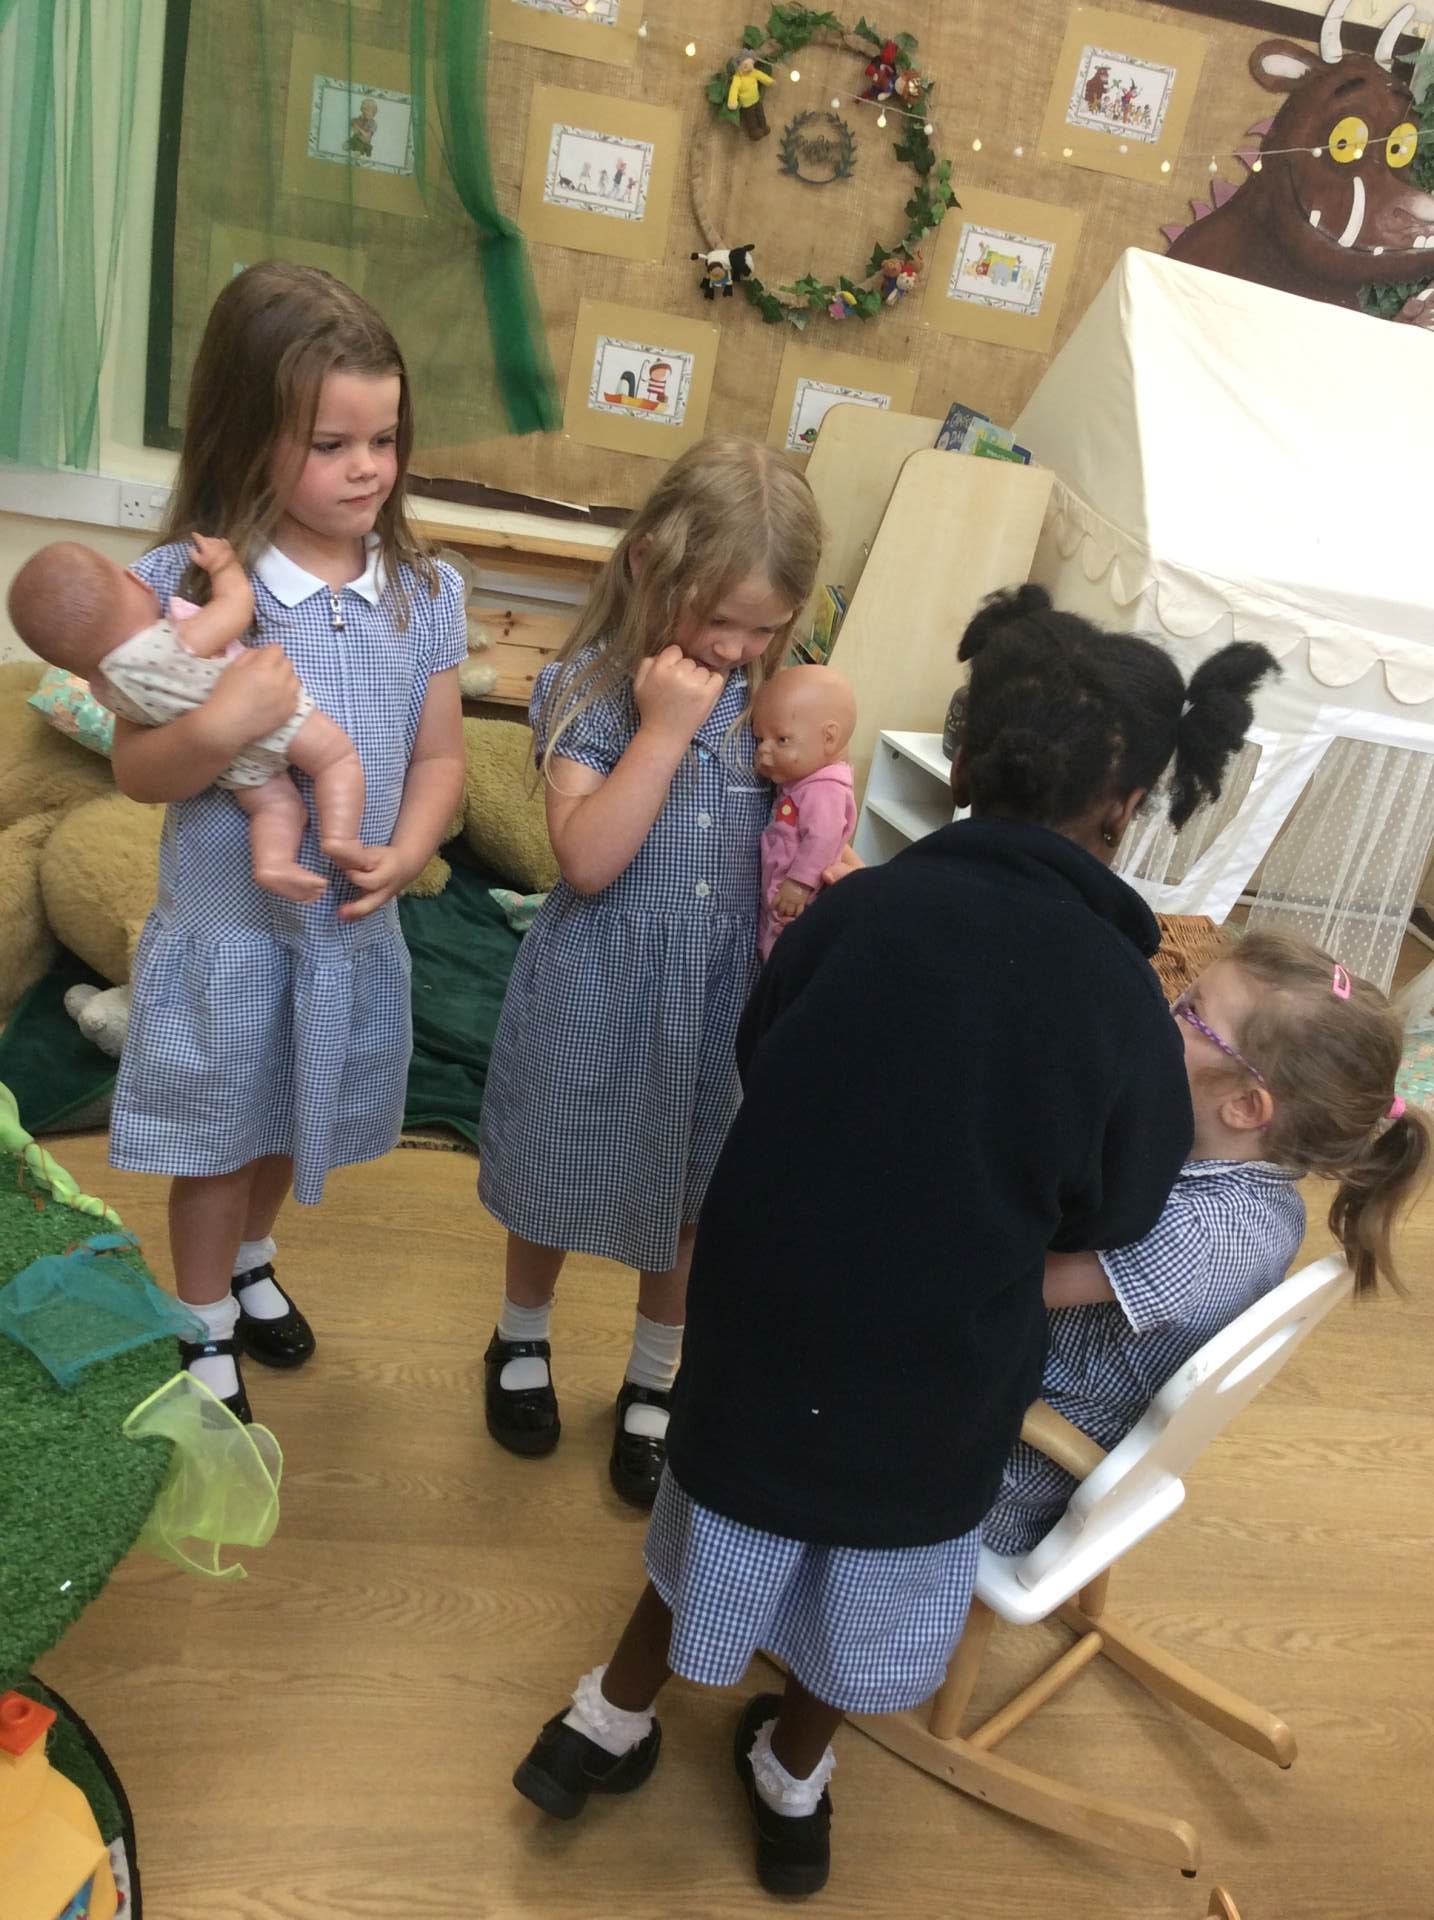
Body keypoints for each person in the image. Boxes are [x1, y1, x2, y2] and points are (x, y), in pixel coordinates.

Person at [510, 584, 1276, 1898]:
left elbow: (761, 1051)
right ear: (1131, 805)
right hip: (939, 1375)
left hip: (762, 1328)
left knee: (715, 1524)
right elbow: (1117, 1209)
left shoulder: (852, 914)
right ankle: (791, 1782)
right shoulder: (1119, 1001)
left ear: (961, 762)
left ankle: (603, 1724)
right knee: (869, 1579)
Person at [107, 261, 467, 1424]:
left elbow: (441, 758)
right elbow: (136, 770)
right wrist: (221, 726)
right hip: (231, 939)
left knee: (285, 1124)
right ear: (245, 436)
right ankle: (202, 1317)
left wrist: (408, 851)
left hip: (341, 937)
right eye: (331, 444)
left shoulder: (425, 593)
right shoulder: (181, 589)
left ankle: (253, 1262)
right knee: (218, 1144)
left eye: (385, 439)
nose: (368, 468)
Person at [478, 437, 824, 1508]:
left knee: (690, 1192)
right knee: (554, 1170)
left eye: (764, 628)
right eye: (719, 617)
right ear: (647, 566)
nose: (735, 647)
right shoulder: (589, 687)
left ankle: (654, 1375)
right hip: (599, 983)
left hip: (719, 997)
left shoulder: (771, 701)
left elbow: (799, 820)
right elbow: (586, 861)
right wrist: (665, 731)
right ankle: (520, 1335)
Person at [985, 929, 1430, 1557]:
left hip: (1010, 1463)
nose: (1162, 1014)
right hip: (1025, 1396)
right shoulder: (1264, 1192)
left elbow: (996, 1282)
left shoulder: (1195, 1236)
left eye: (1189, 1012)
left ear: (1245, 1107)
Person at [8, 532, 370, 902]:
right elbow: (235, 607)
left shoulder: (111, 691)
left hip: (233, 766)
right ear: (136, 582)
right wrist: (224, 567)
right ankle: (340, 837)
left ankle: (274, 862)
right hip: (275, 721)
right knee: (337, 759)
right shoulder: (171, 640)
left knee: (279, 807)